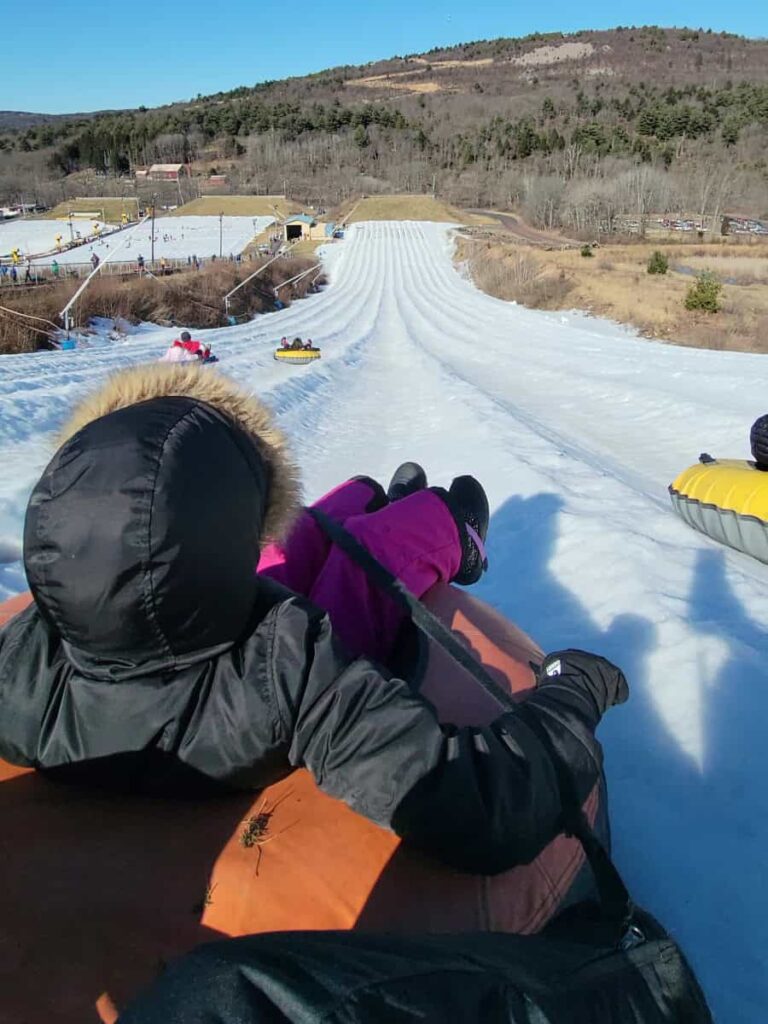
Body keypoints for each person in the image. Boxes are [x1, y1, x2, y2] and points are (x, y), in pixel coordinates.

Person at [0, 365, 626, 875]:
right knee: (367, 563)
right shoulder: (288, 666)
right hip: (234, 676)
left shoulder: (24, 663)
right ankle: (446, 528)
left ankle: (361, 496)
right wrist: (575, 692)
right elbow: (485, 805)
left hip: (189, 635)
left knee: (281, 550)